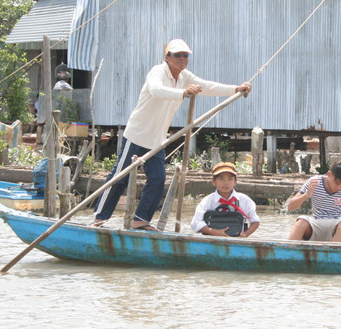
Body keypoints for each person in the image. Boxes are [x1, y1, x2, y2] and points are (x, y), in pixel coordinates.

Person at [92, 39, 252, 229]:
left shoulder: (185, 76)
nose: (182, 59)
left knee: (158, 179)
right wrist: (183, 93)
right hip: (137, 134)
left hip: (158, 139)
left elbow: (207, 86)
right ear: (167, 57)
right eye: (177, 55)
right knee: (120, 177)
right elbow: (156, 90)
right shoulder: (158, 71)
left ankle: (140, 220)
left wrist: (236, 89)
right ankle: (99, 218)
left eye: (185, 55)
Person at [287, 160, 341, 242]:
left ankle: (331, 253)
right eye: (337, 183)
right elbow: (290, 207)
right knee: (301, 222)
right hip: (315, 223)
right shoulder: (314, 182)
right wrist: (307, 194)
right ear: (329, 174)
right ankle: (287, 252)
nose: (339, 188)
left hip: (335, 227)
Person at [191, 162, 260, 238]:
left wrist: (245, 234)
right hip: (212, 241)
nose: (226, 183)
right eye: (221, 179)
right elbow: (196, 223)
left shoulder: (244, 200)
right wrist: (214, 232)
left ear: (235, 181)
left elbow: (255, 221)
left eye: (230, 179)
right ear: (214, 181)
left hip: (237, 241)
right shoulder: (208, 201)